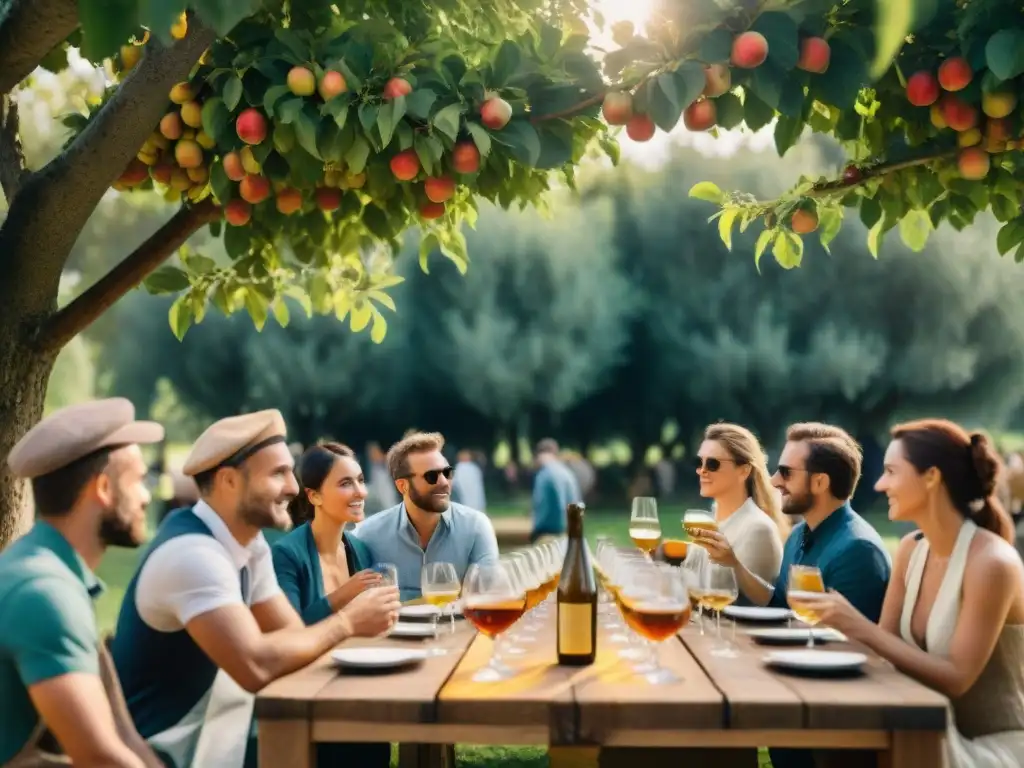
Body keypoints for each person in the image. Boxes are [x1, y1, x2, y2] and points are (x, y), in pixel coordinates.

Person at [111, 410, 400, 768]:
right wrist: (347, 622)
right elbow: (256, 665)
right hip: (173, 755)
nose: (294, 487)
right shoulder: (192, 554)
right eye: (278, 473)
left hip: (226, 736)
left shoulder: (249, 545)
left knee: (358, 739)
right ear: (229, 481)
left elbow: (294, 637)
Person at [803, 419, 1024, 767]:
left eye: (891, 471)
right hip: (914, 729)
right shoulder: (911, 550)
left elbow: (956, 679)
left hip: (985, 749)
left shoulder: (992, 562)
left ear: (932, 477)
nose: (879, 484)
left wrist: (857, 624)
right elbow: (885, 652)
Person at [698, 422, 892, 768]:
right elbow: (780, 608)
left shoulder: (857, 550)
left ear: (820, 481)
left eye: (786, 472)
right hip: (791, 704)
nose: (773, 481)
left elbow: (849, 655)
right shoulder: (800, 534)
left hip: (826, 733)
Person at [0, 398, 165, 767]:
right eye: (138, 481)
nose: (146, 496)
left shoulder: (48, 573)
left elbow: (121, 737)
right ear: (103, 489)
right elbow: (101, 758)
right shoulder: (44, 594)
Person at [271, 441, 389, 768]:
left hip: (359, 688)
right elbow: (287, 634)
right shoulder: (287, 554)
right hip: (308, 697)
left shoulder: (360, 550)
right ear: (314, 496)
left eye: (361, 480)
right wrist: (342, 597)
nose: (360, 492)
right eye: (345, 483)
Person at [350, 431, 499, 601]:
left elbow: (488, 598)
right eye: (431, 476)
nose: (443, 482)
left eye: (447, 473)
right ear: (403, 486)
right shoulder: (367, 535)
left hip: (462, 627)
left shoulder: (476, 527)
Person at [686, 423, 789, 590]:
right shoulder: (712, 520)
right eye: (699, 462)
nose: (702, 471)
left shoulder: (758, 529)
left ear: (743, 471)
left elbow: (752, 605)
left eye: (712, 464)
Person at [529, 438, 581, 543]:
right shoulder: (568, 474)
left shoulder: (544, 475)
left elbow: (543, 508)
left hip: (547, 533)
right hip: (569, 534)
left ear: (539, 455)